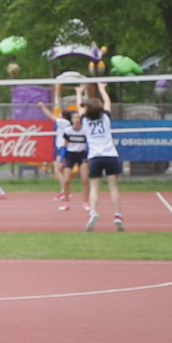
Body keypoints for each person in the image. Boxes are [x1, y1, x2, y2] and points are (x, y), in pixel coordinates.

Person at [76, 83, 123, 232]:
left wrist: (79, 93)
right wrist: (102, 89)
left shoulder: (85, 120)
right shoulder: (106, 118)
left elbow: (79, 107)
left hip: (95, 157)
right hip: (110, 155)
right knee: (113, 187)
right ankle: (117, 216)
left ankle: (93, 212)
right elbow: (108, 102)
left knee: (94, 188)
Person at [39, 102, 74, 203]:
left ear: (64, 116)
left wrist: (43, 107)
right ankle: (66, 191)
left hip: (63, 149)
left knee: (58, 170)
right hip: (62, 148)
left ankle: (65, 192)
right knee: (61, 170)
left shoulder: (64, 122)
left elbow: (51, 116)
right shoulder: (64, 124)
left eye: (60, 114)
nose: (58, 115)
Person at [54, 111, 89, 212]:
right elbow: (64, 146)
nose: (77, 119)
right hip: (70, 155)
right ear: (72, 120)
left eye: (78, 118)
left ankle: (86, 203)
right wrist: (61, 160)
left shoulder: (85, 130)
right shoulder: (68, 131)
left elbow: (89, 144)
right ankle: (66, 202)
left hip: (81, 155)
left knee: (85, 180)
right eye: (75, 118)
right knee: (66, 180)